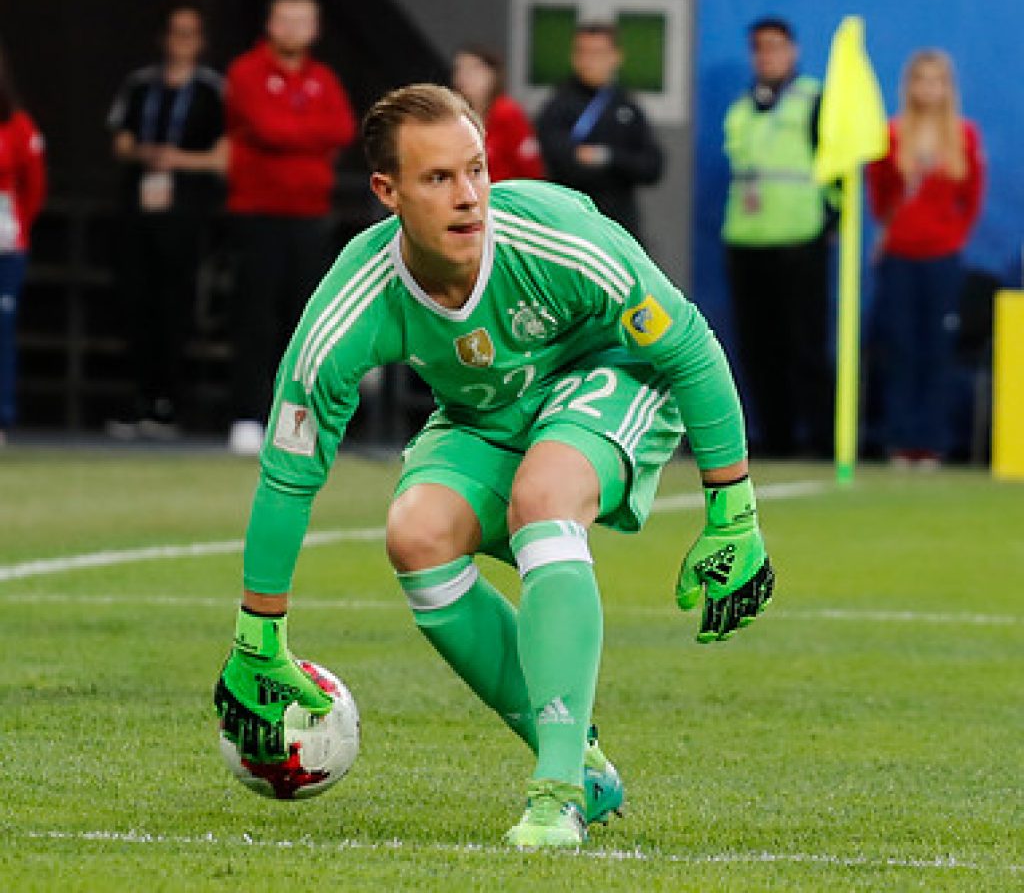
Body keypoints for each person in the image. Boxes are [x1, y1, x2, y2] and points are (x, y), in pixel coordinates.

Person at [213, 83, 774, 849]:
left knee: (543, 497)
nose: (469, 195)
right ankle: (589, 764)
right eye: (438, 178)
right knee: (415, 535)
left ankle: (559, 793)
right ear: (387, 192)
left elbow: (688, 347)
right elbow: (289, 471)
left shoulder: (555, 234)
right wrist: (258, 636)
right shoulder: (353, 302)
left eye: (475, 170)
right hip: (485, 411)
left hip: (610, 374)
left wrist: (731, 509)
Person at [224, 0, 357, 455]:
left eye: (304, 21)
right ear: (271, 24)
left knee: (304, 325)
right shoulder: (246, 72)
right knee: (254, 318)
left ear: (315, 29)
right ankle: (247, 415)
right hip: (258, 213)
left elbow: (342, 128)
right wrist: (307, 134)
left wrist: (294, 132)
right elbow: (266, 127)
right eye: (287, 20)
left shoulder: (323, 78)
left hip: (310, 216)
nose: (295, 30)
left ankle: (296, 422)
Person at [107, 6, 226, 438]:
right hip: (140, 207)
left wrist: (176, 159)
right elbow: (120, 141)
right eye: (175, 32)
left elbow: (224, 155)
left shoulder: (213, 91)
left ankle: (170, 402)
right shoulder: (140, 85)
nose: (181, 40)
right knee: (135, 299)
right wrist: (145, 153)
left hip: (186, 207)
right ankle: (140, 397)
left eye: (189, 33)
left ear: (201, 40)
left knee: (176, 303)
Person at [722, 16, 835, 460]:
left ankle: (821, 441)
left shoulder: (814, 101)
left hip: (799, 238)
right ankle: (776, 438)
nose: (766, 56)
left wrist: (831, 221)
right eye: (759, 48)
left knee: (805, 346)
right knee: (757, 349)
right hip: (747, 239)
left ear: (793, 51)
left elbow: (837, 169)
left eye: (775, 47)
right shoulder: (743, 107)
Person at [866, 50, 985, 467]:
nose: (928, 89)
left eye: (937, 81)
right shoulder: (893, 135)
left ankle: (932, 440)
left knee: (938, 348)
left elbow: (971, 199)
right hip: (900, 256)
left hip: (943, 259)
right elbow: (878, 193)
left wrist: (951, 237)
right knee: (901, 348)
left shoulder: (964, 136)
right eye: (921, 80)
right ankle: (900, 439)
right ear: (910, 85)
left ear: (947, 88)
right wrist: (898, 229)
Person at [535, 22, 663, 244]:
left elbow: (652, 166)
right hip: (568, 223)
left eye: (597, 53)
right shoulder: (559, 104)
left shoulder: (627, 105)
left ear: (616, 57)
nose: (589, 61)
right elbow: (556, 155)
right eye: (582, 52)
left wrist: (606, 157)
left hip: (618, 226)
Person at [0, 43, 46, 445]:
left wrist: (16, 230)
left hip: (6, 246)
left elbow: (34, 188)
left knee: (2, 327)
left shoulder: (17, 126)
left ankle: (2, 413)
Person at [452, 44, 545, 182]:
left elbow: (531, 169)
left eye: (474, 69)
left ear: (492, 74)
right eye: (460, 69)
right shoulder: (454, 115)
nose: (464, 76)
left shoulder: (508, 113)